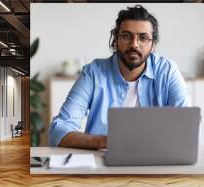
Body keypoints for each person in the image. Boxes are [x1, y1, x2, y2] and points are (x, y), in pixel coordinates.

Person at [49, 5, 189, 149]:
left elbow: (187, 126)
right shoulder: (94, 73)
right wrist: (103, 142)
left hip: (157, 160)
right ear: (116, 40)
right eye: (126, 36)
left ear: (153, 45)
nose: (134, 44)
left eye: (143, 38)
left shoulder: (167, 71)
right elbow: (58, 130)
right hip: (103, 162)